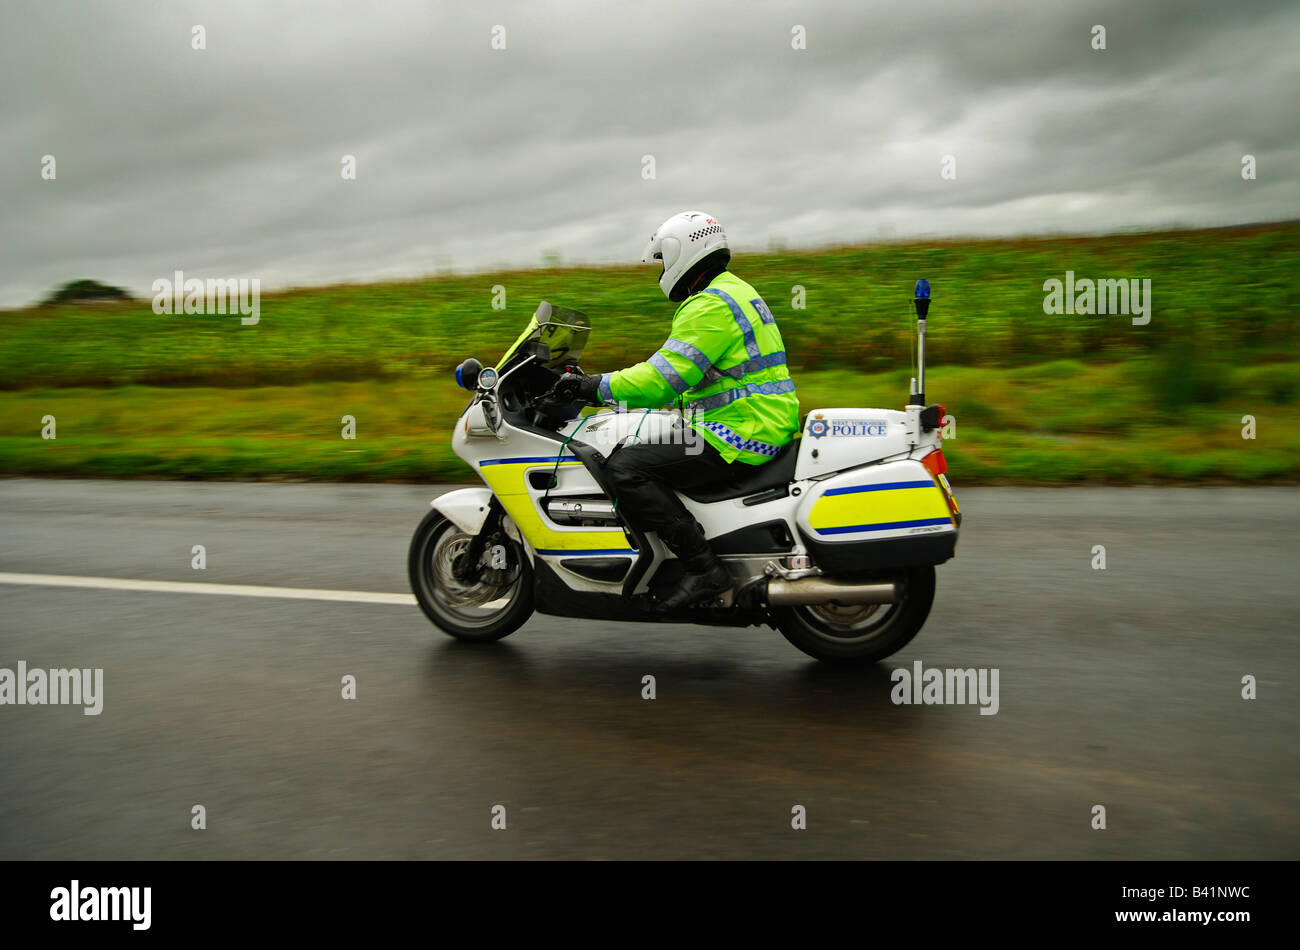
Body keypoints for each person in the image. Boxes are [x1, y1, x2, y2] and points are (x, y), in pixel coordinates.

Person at [552, 211, 800, 611]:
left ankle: (703, 570)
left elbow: (662, 380)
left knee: (626, 468)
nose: (663, 271)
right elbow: (677, 374)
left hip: (739, 432)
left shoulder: (710, 305)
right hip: (757, 422)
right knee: (651, 441)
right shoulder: (733, 291)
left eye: (664, 260)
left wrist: (593, 386)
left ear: (683, 250)